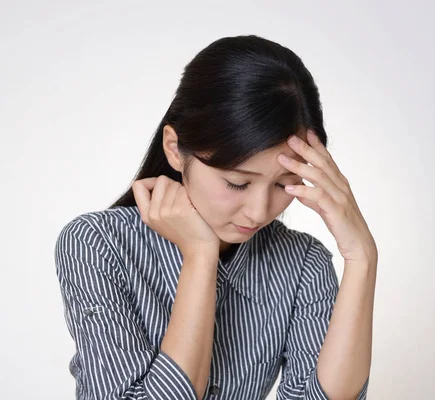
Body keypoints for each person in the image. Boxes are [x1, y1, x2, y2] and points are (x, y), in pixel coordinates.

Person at [54, 34, 378, 400]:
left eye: (283, 185)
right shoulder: (96, 244)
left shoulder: (304, 264)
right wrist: (200, 255)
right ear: (176, 150)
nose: (259, 212)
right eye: (237, 183)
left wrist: (362, 257)